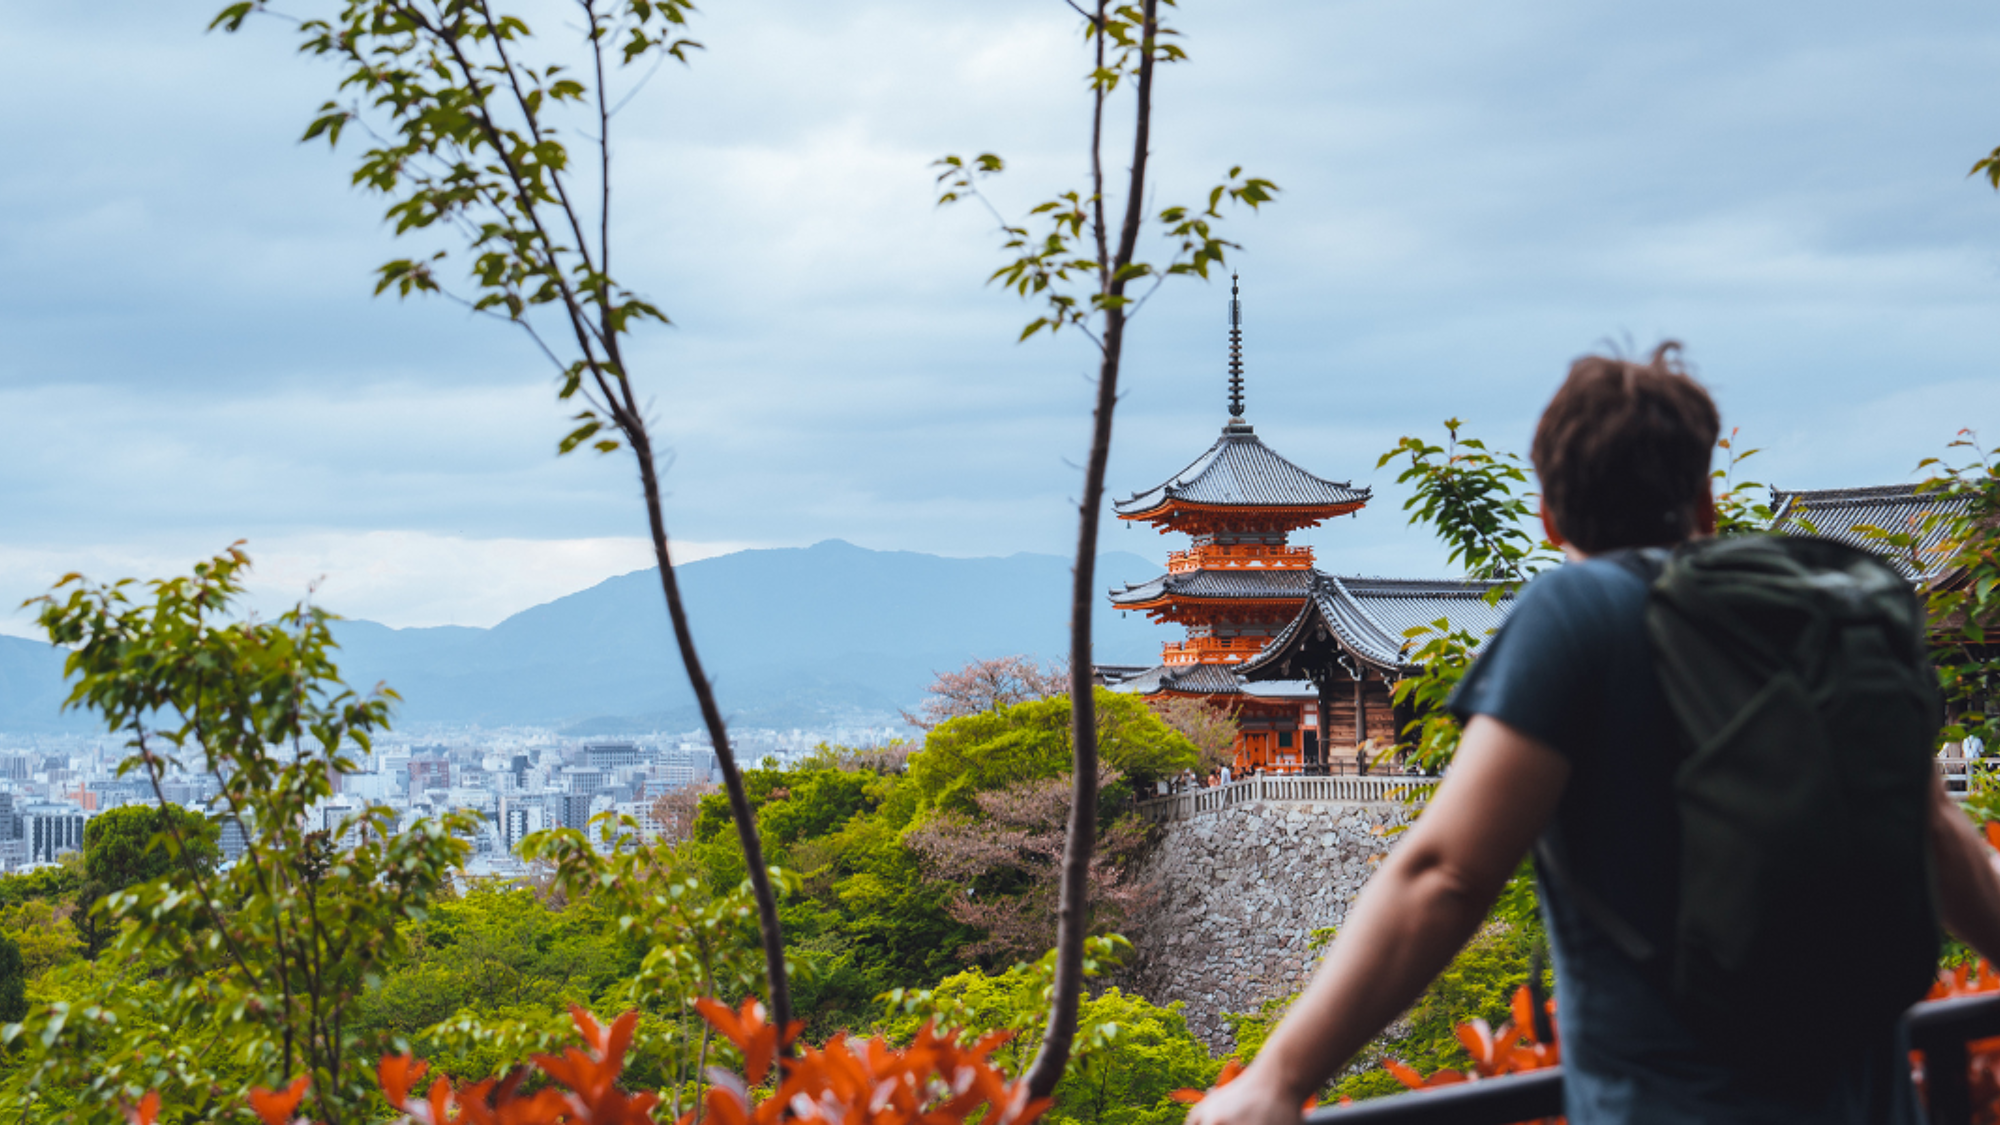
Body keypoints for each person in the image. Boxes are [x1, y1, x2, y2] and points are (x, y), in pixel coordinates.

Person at [1185, 345, 2000, 1125]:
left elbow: (1448, 871)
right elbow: (1935, 831)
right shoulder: (1822, 609)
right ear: (1704, 500)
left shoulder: (1578, 614)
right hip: (1871, 1098)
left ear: (1548, 514)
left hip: (1675, 1101)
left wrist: (1280, 1076)